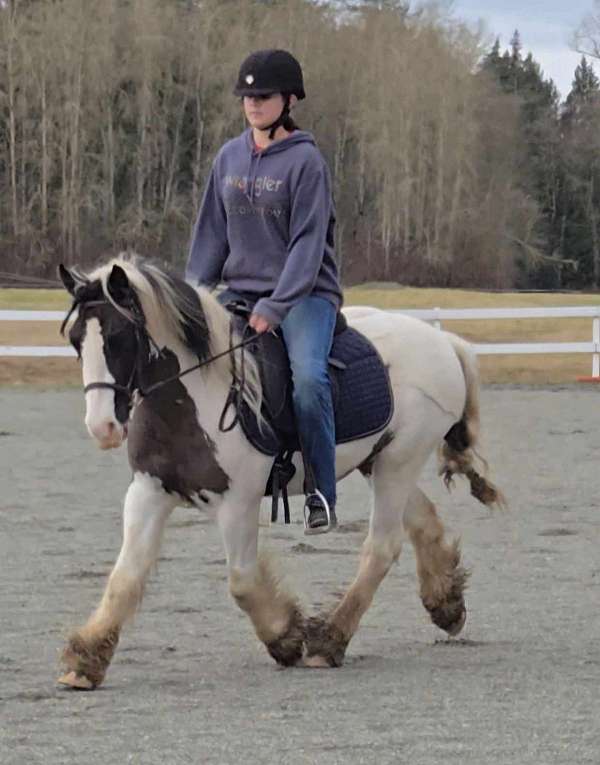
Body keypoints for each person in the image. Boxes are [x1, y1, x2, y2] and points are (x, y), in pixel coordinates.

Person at [186, 49, 342, 534]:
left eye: (264, 95)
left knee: (310, 380)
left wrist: (276, 306)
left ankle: (321, 491)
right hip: (240, 289)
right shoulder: (228, 157)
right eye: (247, 96)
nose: (253, 104)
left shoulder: (307, 163)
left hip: (304, 294)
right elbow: (211, 232)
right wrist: (191, 294)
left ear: (289, 99)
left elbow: (307, 245)